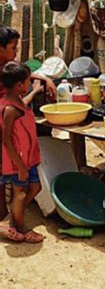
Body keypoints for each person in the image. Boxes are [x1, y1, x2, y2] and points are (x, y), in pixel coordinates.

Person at [0, 26, 56, 221]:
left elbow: (22, 73)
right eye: (13, 48)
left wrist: (45, 78)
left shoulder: (8, 70)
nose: (16, 53)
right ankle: (9, 220)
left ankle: (11, 217)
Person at [0, 62, 44, 243]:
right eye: (28, 81)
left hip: (28, 157)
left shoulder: (16, 100)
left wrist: (33, 92)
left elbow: (23, 107)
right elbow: (7, 140)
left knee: (35, 187)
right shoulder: (9, 109)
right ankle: (22, 228)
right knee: (20, 193)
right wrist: (20, 166)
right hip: (18, 160)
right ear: (19, 85)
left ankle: (13, 219)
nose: (29, 83)